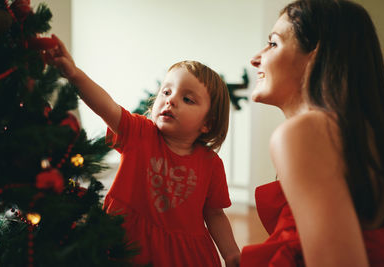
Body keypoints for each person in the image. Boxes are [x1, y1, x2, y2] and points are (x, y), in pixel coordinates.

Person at [47, 35, 240, 267]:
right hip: (126, 243)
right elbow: (106, 106)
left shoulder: (211, 164)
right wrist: (74, 74)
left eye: (187, 99)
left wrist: (231, 254)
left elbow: (215, 213)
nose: (171, 101)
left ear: (207, 123)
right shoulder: (140, 133)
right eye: (166, 92)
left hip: (183, 256)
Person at [241, 0, 384, 266]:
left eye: (273, 43)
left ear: (317, 54)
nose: (255, 58)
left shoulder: (305, 133)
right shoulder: (362, 136)